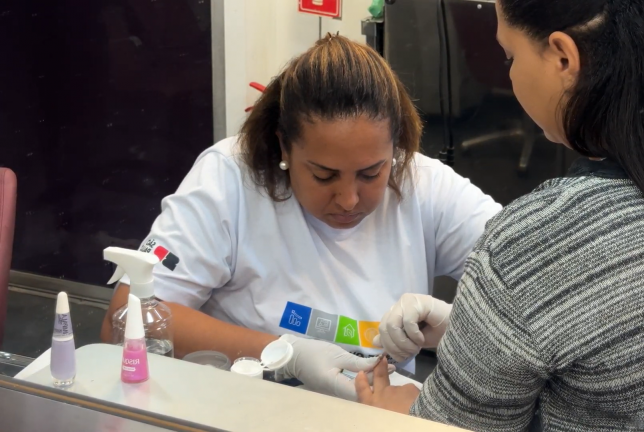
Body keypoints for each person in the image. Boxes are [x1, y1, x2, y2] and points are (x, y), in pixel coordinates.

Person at [359, 0, 644, 430]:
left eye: (510, 56)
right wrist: (483, 338)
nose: (510, 72)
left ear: (563, 58)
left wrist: (400, 415)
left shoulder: (532, 248)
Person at [99, 34, 501, 401]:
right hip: (246, 404)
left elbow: (530, 278)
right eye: (323, 175)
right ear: (284, 147)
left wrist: (455, 323)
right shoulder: (229, 179)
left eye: (371, 173)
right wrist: (284, 353)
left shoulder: (423, 184)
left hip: (375, 412)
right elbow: (125, 319)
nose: (348, 199)